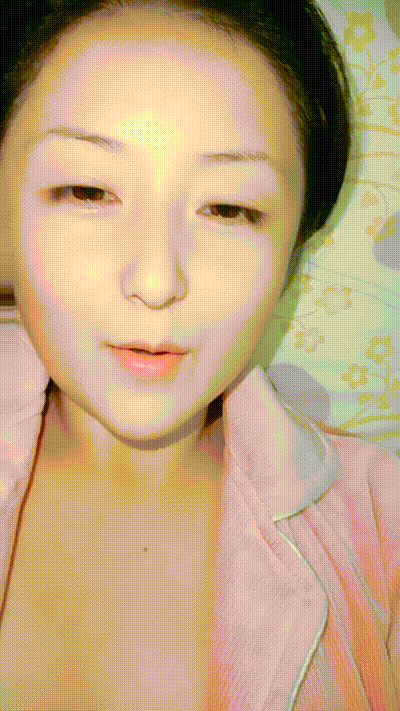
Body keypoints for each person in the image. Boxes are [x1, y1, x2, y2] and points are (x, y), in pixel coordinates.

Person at [0, 0, 398, 709]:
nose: (156, 281)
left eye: (229, 208)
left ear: (292, 249)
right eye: (88, 190)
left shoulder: (382, 526)